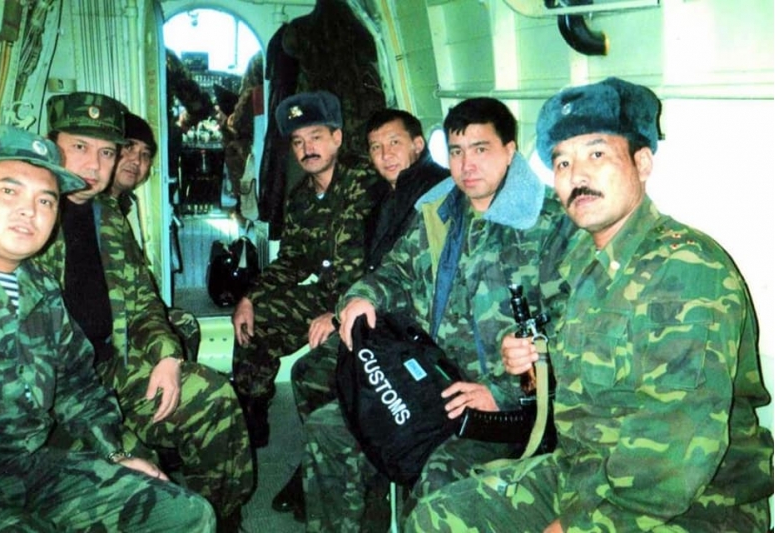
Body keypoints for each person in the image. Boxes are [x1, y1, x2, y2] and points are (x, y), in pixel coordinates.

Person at [405, 77, 774, 532]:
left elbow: (674, 452)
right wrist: (536, 361)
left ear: (642, 163)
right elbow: (590, 373)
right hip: (587, 470)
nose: (576, 176)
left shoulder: (685, 271)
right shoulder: (583, 259)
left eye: (596, 155)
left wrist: (576, 527)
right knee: (436, 515)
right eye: (562, 162)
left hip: (696, 503)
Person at [302, 97, 573, 532]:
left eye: (481, 149)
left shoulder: (551, 226)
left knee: (440, 477)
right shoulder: (439, 210)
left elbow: (573, 331)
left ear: (509, 150)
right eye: (457, 151)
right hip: (430, 378)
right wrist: (362, 297)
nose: (467, 165)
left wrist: (500, 393)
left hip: (502, 408)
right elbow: (395, 270)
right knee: (329, 428)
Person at [0, 125, 215, 531]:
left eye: (45, 199)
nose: (29, 210)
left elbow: (76, 383)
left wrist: (114, 454)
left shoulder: (40, 289)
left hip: (29, 466)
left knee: (187, 514)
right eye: (9, 191)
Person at [36, 92, 253, 532]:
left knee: (212, 396)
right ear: (50, 145)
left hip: (113, 366)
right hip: (55, 394)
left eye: (106, 152)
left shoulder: (106, 215)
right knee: (135, 487)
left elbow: (142, 301)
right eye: (79, 147)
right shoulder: (27, 217)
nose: (94, 165)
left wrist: (168, 357)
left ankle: (222, 517)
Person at [272, 108, 449, 520]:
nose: (385, 154)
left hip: (410, 333)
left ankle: (353, 470)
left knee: (319, 372)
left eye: (395, 143)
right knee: (308, 370)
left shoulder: (433, 197)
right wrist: (341, 310)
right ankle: (329, 468)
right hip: (383, 318)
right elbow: (367, 267)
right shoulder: (386, 194)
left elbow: (411, 280)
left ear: (418, 145)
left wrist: (340, 316)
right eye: (375, 147)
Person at [230, 90, 379, 449]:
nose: (307, 148)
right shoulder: (300, 199)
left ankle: (325, 453)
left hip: (369, 300)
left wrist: (338, 313)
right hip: (325, 295)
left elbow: (380, 262)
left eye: (315, 137)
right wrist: (250, 298)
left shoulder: (368, 182)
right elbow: (292, 261)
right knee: (256, 318)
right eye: (298, 141)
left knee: (314, 375)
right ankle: (252, 412)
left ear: (337, 138)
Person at [109, 111, 200, 362]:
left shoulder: (125, 205)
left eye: (145, 154)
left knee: (185, 323)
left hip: (131, 311)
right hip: (111, 324)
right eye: (128, 147)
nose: (136, 160)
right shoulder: (94, 208)